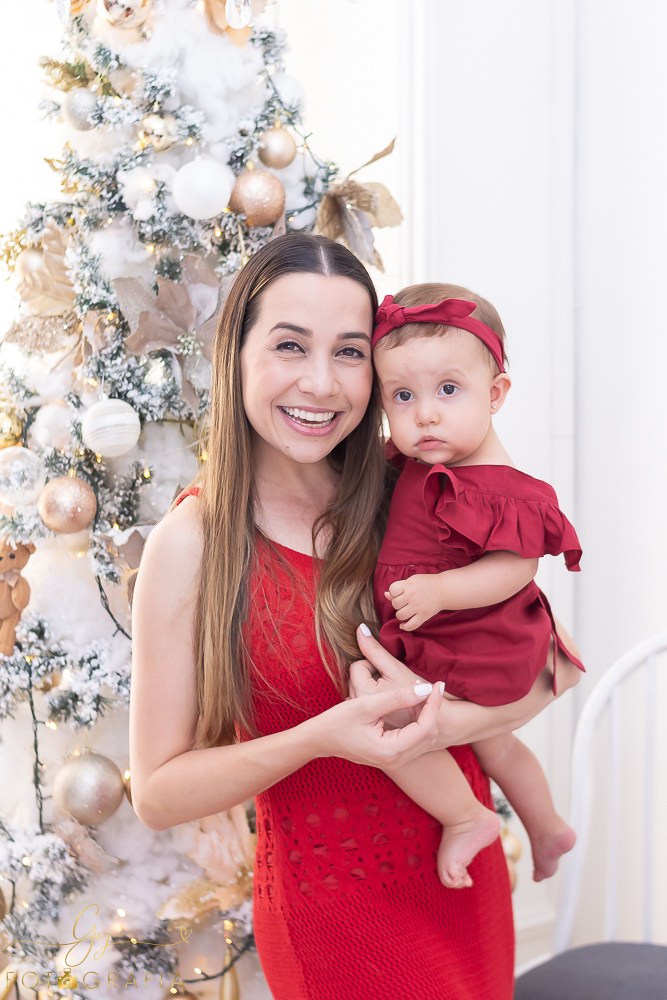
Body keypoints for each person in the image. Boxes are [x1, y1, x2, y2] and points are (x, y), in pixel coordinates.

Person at [129, 235, 581, 1000]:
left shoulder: (408, 487)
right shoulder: (194, 542)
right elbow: (158, 794)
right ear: (235, 354)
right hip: (335, 927)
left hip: (462, 881)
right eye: (288, 346)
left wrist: (444, 727)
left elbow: (554, 667)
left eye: (347, 352)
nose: (320, 381)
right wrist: (319, 739)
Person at [359, 282, 583, 890]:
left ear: (496, 394)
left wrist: (440, 592)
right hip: (442, 634)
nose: (425, 413)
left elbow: (517, 568)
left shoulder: (499, 484)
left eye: (448, 390)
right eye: (403, 395)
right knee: (499, 747)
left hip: (475, 637)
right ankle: (547, 827)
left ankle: (465, 818)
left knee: (395, 718)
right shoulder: (414, 462)